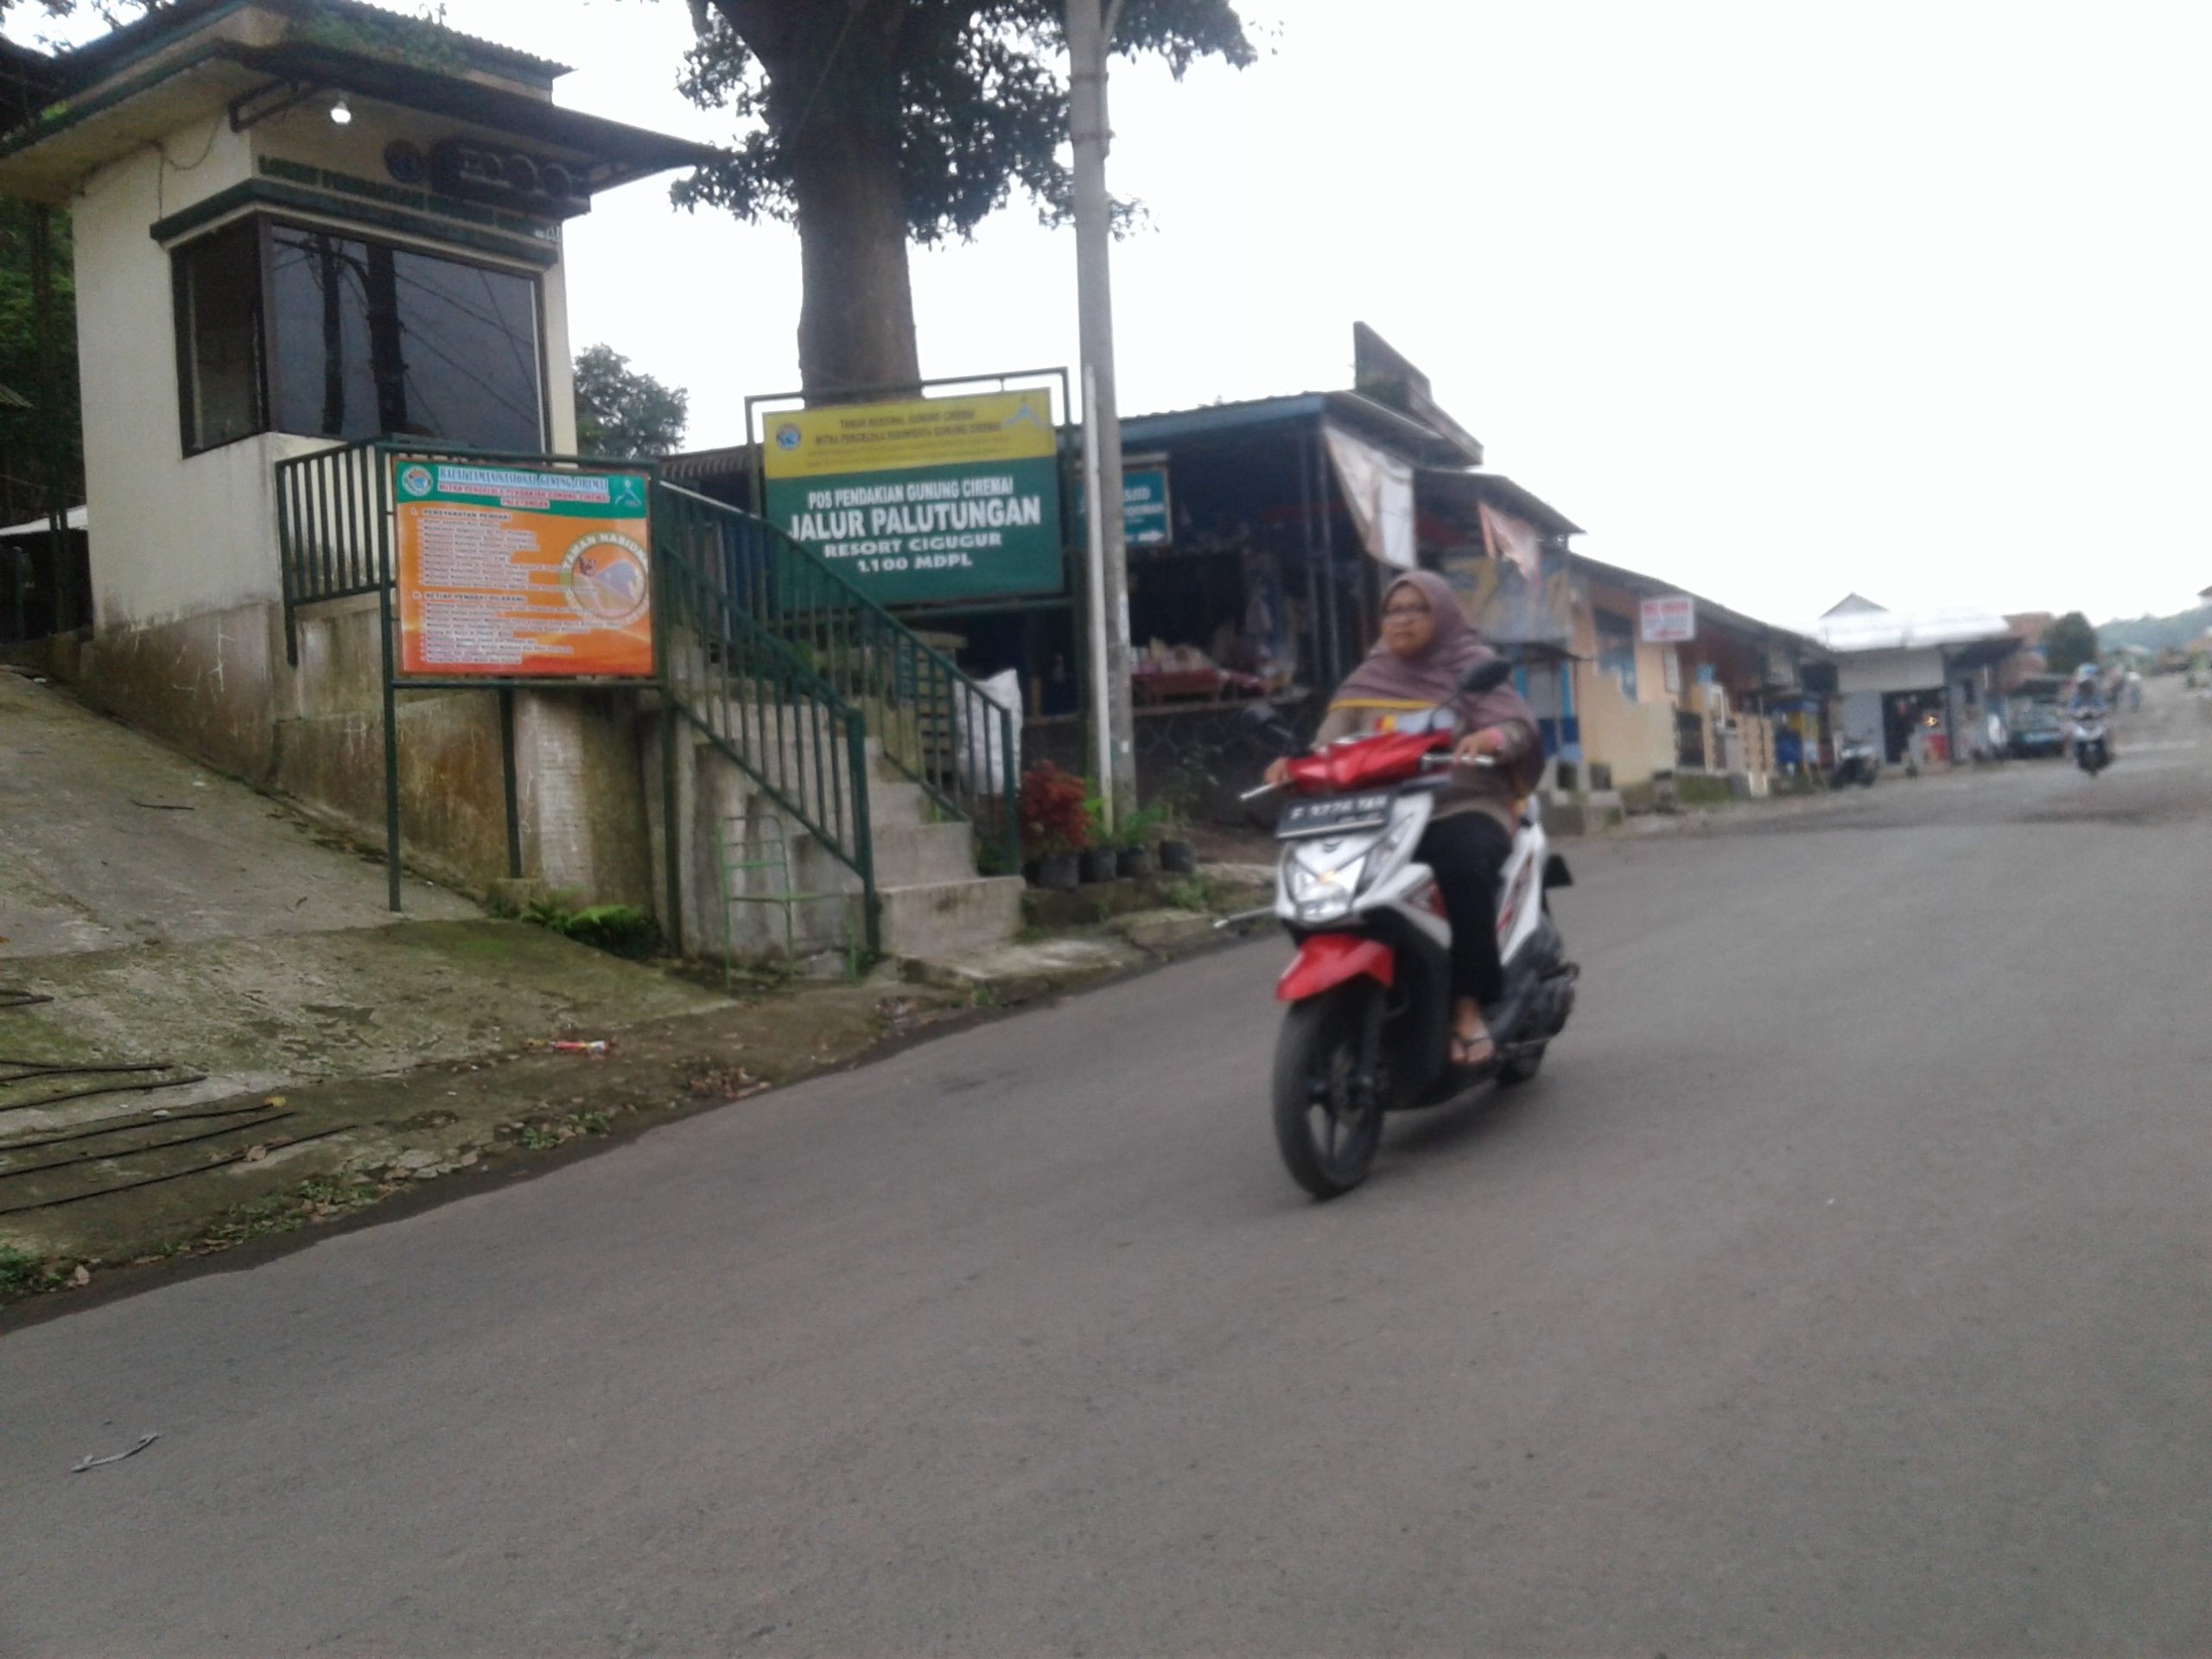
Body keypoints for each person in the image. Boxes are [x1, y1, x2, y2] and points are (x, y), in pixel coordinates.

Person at [1265, 569, 1543, 1067]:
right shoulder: (1368, 679)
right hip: (1378, 817)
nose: (1402, 620)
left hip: (1462, 805)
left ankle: (1467, 1006)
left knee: (1463, 868)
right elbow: (1325, 747)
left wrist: (1489, 740)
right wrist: (1295, 769)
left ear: (1442, 615)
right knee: (1321, 880)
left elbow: (1516, 726)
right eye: (1393, 611)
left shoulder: (1470, 667)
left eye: (1417, 609)